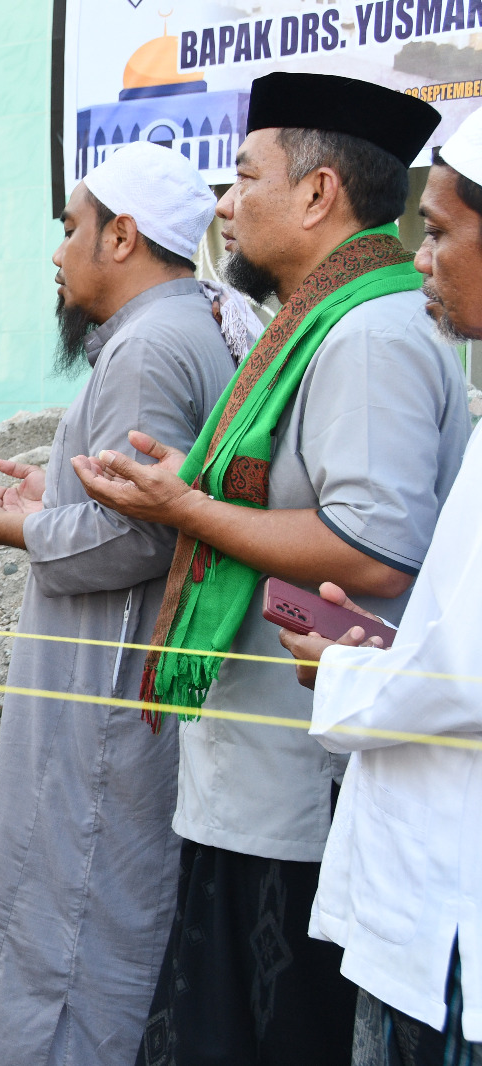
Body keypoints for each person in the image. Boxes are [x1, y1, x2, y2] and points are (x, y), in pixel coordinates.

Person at [72, 73, 469, 1066]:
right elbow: (297, 502)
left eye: (242, 176)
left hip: (300, 780)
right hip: (259, 765)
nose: (223, 204)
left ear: (315, 193)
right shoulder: (321, 320)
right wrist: (190, 484)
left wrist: (187, 508)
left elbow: (373, 550)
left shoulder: (367, 332)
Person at [0, 142, 238, 1066]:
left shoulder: (152, 346)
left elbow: (146, 534)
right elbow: (137, 507)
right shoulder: (174, 333)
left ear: (122, 236)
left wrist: (6, 529)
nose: (58, 253)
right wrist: (48, 503)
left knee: (79, 933)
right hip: (110, 690)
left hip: (105, 710)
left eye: (70, 229)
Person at [277, 106, 482, 1066]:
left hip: (454, 917)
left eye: (439, 232)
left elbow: (465, 684)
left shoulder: (374, 338)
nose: (423, 257)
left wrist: (346, 671)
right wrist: (392, 653)